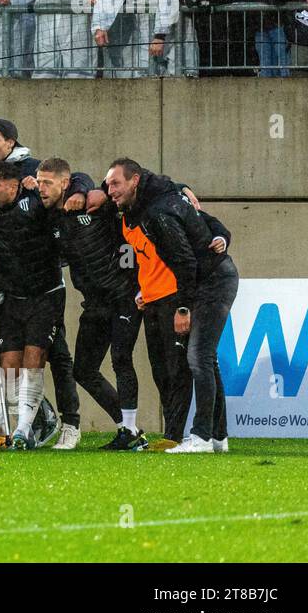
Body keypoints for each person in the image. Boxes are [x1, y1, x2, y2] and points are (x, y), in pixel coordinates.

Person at [105, 158, 238, 452]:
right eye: (108, 183)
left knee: (198, 358)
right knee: (206, 360)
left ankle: (201, 436)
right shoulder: (159, 197)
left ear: (135, 181)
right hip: (211, 278)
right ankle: (218, 438)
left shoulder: (158, 213)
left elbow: (185, 262)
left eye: (116, 183)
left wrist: (182, 308)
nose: (109, 189)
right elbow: (199, 221)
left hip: (213, 280)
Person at [0, 161, 81, 450]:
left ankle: (23, 432)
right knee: (9, 367)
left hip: (46, 295)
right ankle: (37, 420)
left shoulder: (35, 204)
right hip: (11, 298)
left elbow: (73, 181)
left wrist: (78, 190)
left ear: (14, 186)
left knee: (39, 359)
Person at [35, 158, 146, 451]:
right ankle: (129, 429)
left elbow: (131, 191)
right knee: (83, 370)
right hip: (94, 303)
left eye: (47, 183)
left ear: (65, 182)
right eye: (38, 182)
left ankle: (131, 430)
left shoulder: (96, 203)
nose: (41, 189)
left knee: (121, 360)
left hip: (124, 297)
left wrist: (86, 190)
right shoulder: (49, 217)